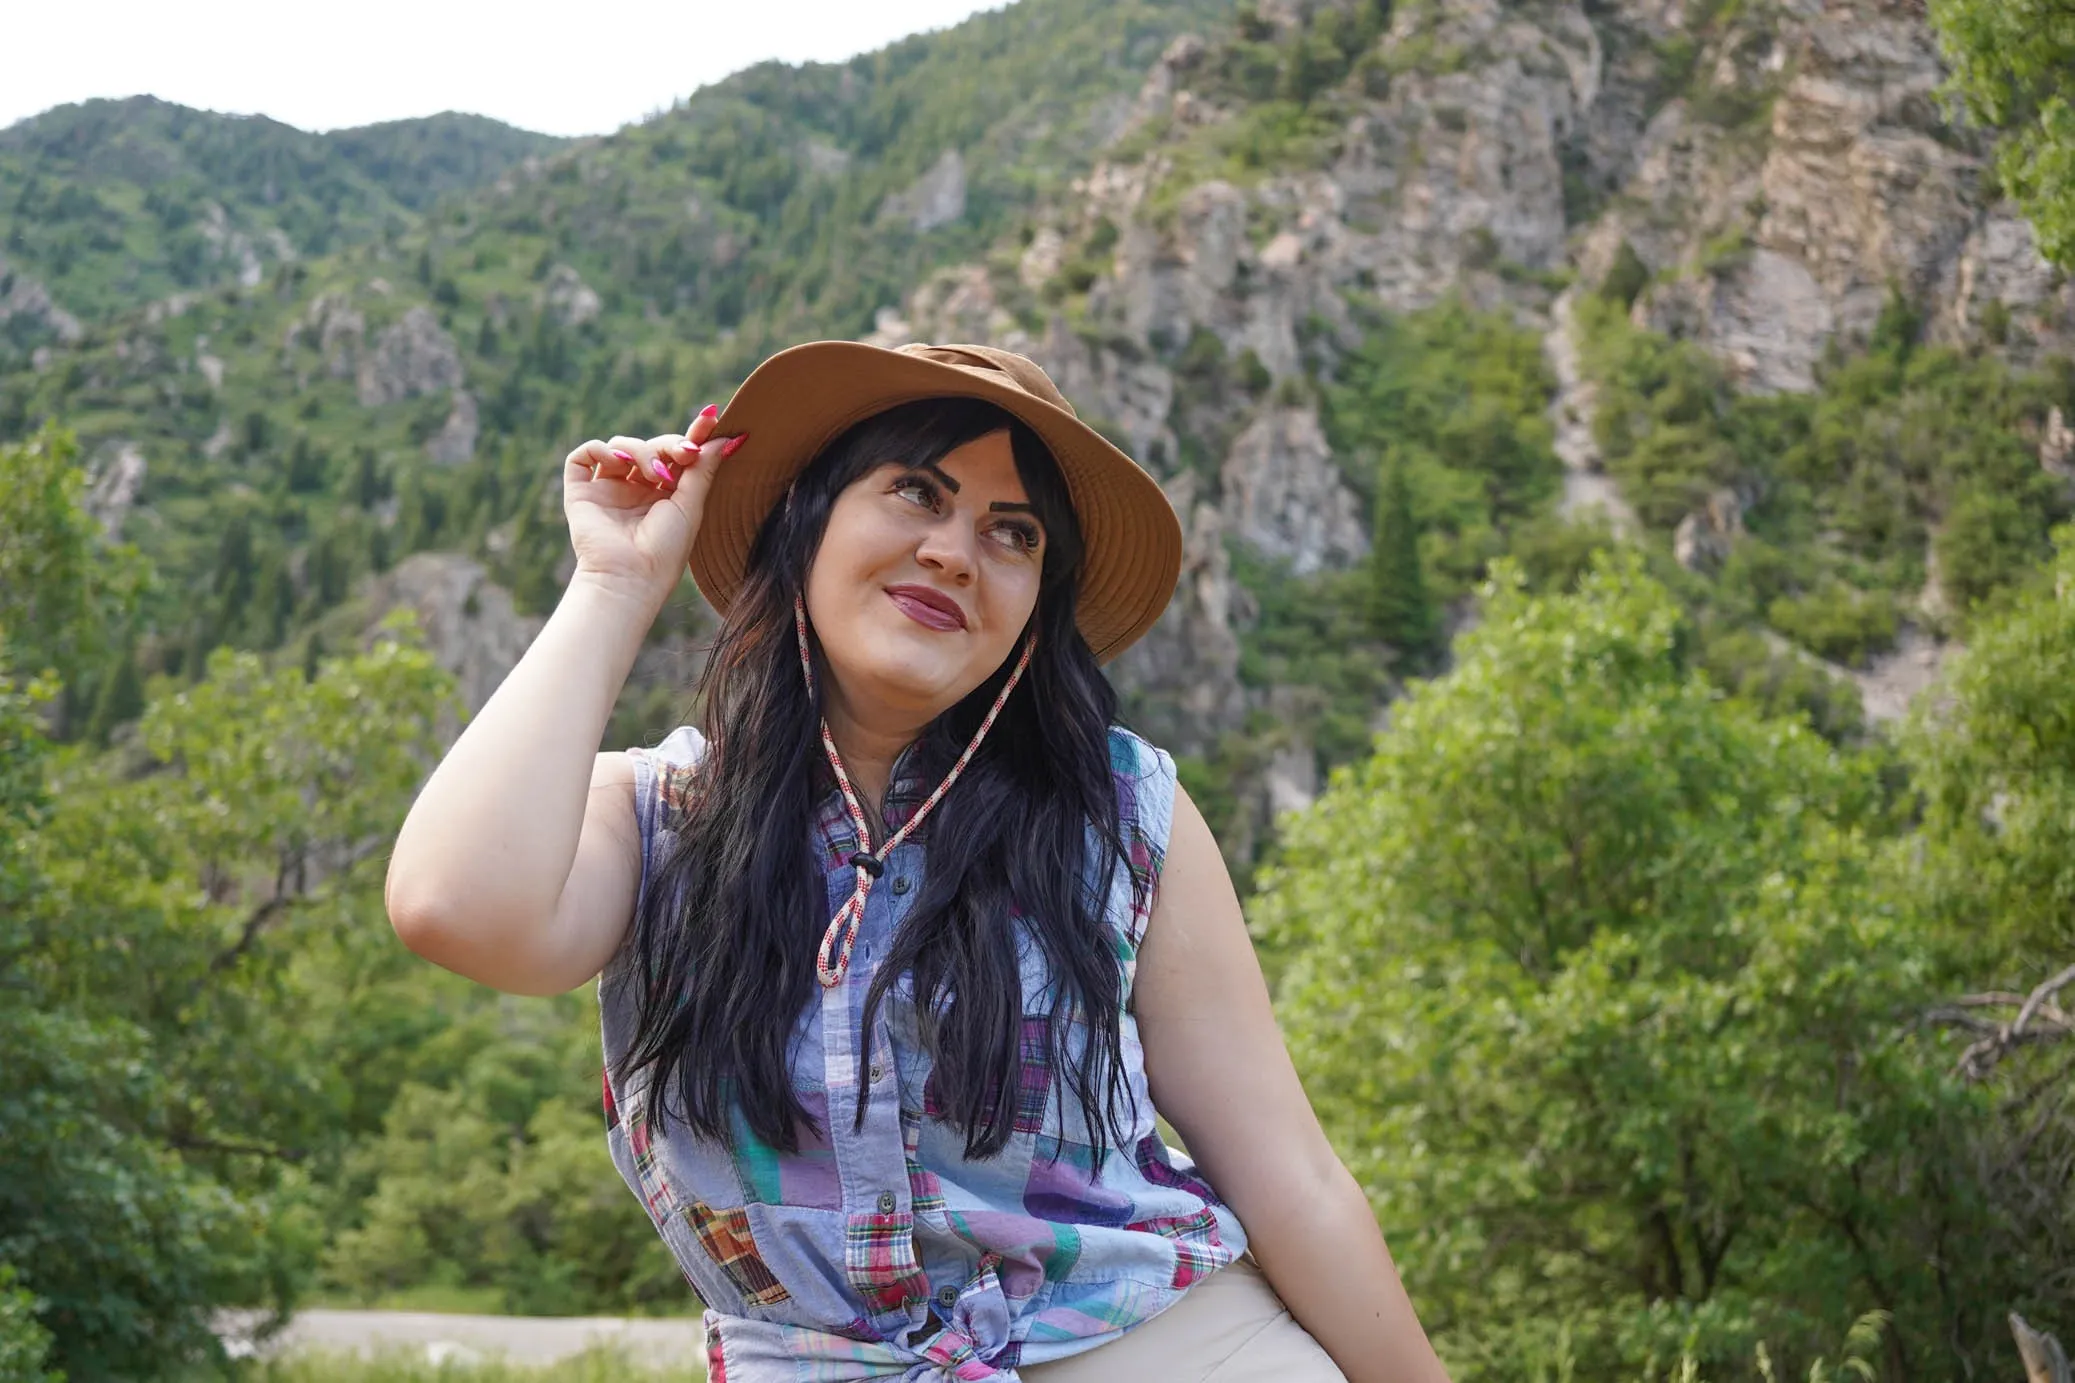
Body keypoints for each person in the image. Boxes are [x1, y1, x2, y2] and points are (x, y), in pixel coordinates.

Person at [385, 341, 1452, 1383]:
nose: (952, 550)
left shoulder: (1121, 812)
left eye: (1011, 533)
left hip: (1158, 1343)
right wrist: (617, 582)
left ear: (1035, 612)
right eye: (913, 492)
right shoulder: (665, 816)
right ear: (806, 523)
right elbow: (453, 908)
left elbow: (1291, 1178)